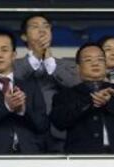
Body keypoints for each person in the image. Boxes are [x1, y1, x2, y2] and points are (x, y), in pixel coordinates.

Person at [50, 43, 114, 154]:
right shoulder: (65, 95)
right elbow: (59, 122)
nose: (95, 63)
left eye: (100, 59)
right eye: (88, 60)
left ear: (106, 65)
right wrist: (91, 101)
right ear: (78, 68)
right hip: (83, 158)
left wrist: (111, 102)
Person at [0, 30, 49, 154]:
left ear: (14, 55)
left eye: (4, 50)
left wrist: (23, 110)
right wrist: (6, 106)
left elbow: (43, 124)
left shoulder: (31, 86)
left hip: (31, 155)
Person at [14, 13, 80, 153]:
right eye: (35, 26)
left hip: (59, 133)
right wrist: (37, 56)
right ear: (24, 36)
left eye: (46, 26)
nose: (42, 30)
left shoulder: (67, 65)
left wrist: (50, 62)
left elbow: (77, 86)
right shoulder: (14, 65)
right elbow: (12, 81)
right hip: (26, 131)